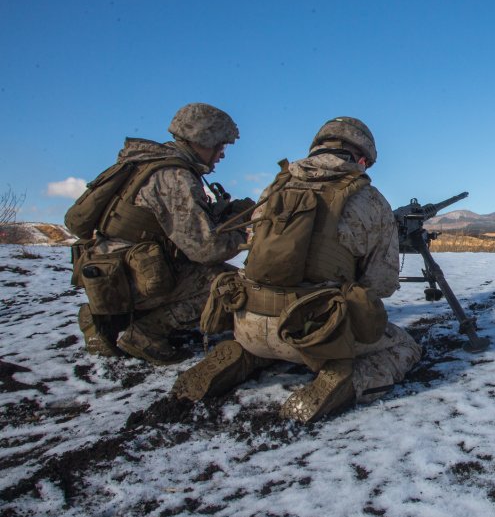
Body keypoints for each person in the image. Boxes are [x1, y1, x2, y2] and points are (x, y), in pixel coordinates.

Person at [172, 117, 421, 423]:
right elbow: (380, 284)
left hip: (247, 321)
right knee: (404, 347)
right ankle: (346, 380)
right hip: (315, 333)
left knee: (260, 336)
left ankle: (244, 354)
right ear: (361, 158)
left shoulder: (275, 186)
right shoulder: (370, 198)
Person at [70, 103, 250, 365]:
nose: (221, 154)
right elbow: (206, 250)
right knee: (232, 285)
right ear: (203, 139)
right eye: (220, 145)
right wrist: (244, 235)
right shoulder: (175, 176)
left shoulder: (145, 162)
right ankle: (146, 333)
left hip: (110, 272)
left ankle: (103, 319)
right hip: (135, 276)